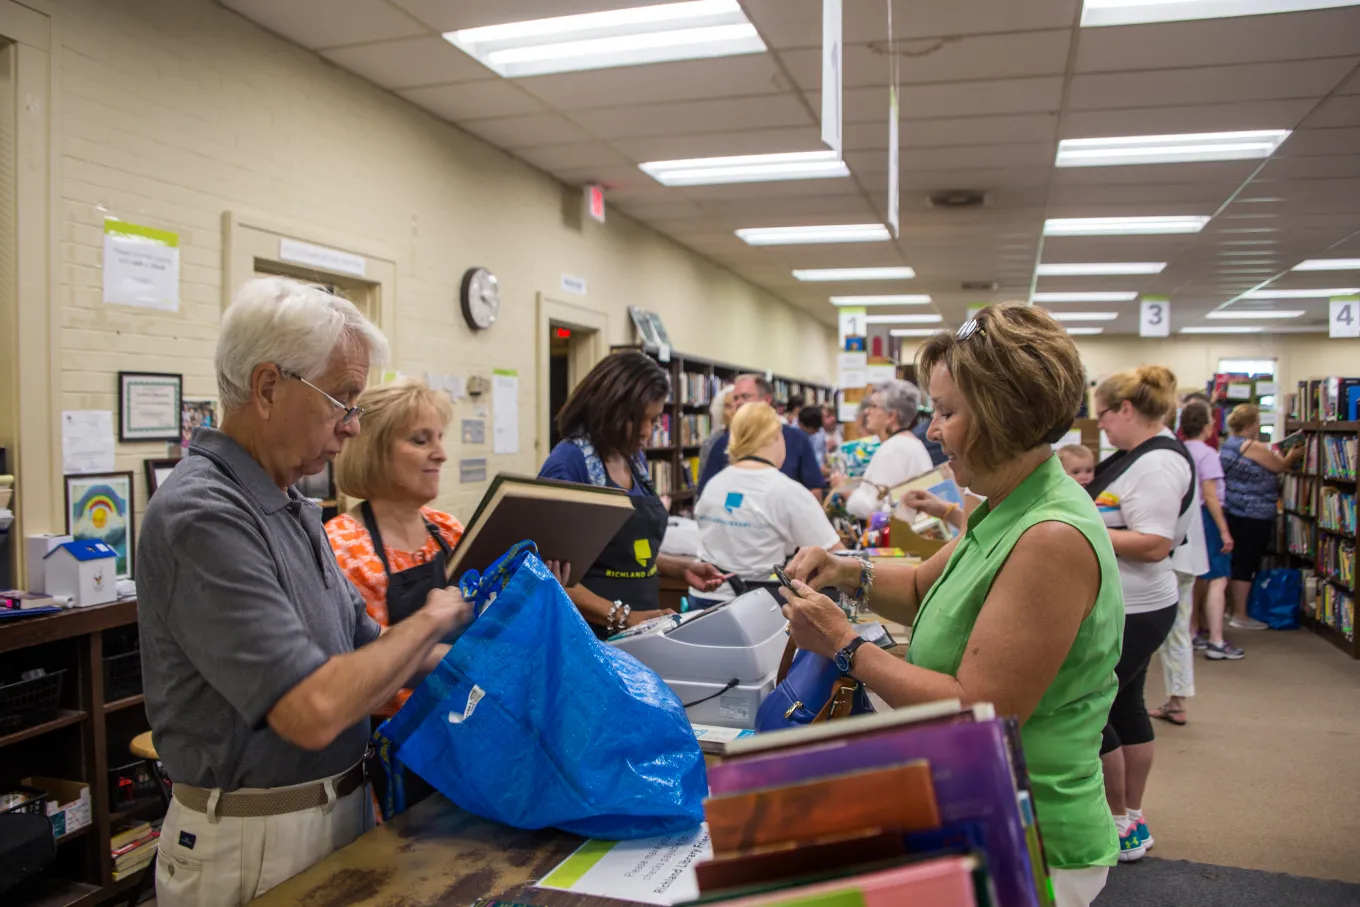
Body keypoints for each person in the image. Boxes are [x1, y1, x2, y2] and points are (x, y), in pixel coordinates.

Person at [136, 278, 472, 906]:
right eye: (343, 399)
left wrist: (499, 662)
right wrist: (431, 621)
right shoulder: (202, 515)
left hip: (336, 814)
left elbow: (372, 648)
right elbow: (311, 711)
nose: (351, 426)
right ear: (268, 388)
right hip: (253, 842)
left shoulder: (290, 502)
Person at [780, 304, 1122, 907]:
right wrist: (843, 571)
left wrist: (844, 644)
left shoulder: (1049, 537)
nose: (932, 431)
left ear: (1003, 416)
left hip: (1028, 835)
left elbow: (978, 708)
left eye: (946, 412)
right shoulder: (1005, 502)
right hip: (978, 805)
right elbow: (921, 590)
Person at [540, 351, 727, 638]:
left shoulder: (634, 460)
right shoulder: (569, 464)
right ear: (607, 407)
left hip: (638, 627)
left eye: (653, 420)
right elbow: (552, 577)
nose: (646, 432)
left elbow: (624, 554)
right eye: (637, 419)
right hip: (587, 636)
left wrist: (680, 569)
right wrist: (626, 617)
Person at [1090, 366, 1195, 863]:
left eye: (1104, 416)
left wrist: (1075, 531)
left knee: (1093, 706)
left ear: (1126, 409)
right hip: (1132, 604)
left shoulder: (1157, 465)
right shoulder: (1135, 456)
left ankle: (1117, 820)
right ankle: (1131, 817)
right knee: (1126, 706)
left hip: (1137, 607)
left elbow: (1154, 543)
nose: (1102, 426)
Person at [690, 403, 842, 605]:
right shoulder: (787, 491)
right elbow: (837, 555)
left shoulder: (714, 484)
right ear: (776, 436)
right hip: (754, 606)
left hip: (702, 599)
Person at [1221, 403, 1302, 631]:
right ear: (1251, 424)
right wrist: (1293, 455)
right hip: (1253, 513)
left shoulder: (1229, 445)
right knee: (1247, 562)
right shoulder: (1251, 446)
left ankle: (1231, 609)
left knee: (1237, 561)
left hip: (1235, 510)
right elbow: (1279, 466)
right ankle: (1241, 614)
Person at [697, 374, 825, 500]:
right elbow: (707, 493)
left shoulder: (797, 440)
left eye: (745, 396)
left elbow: (814, 490)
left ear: (766, 400)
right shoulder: (722, 443)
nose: (739, 403)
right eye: (735, 399)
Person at [1179, 401, 1240, 660]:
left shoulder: (1178, 450)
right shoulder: (1208, 454)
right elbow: (1211, 495)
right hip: (1207, 518)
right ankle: (1216, 639)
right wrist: (1224, 531)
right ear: (1207, 426)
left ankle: (1192, 632)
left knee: (1196, 577)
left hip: (1187, 518)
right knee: (1218, 579)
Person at [842, 379, 934, 519]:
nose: (867, 411)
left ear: (891, 416)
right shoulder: (906, 443)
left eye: (873, 406)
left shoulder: (894, 449)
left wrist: (844, 489)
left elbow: (875, 510)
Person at [697, 385, 735, 482]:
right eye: (728, 406)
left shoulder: (756, 439)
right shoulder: (711, 442)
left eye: (738, 405)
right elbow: (703, 484)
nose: (734, 411)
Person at [797, 404, 829, 470]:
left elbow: (824, 451)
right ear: (802, 425)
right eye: (814, 429)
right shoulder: (794, 437)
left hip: (822, 468)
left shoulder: (820, 431)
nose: (817, 431)